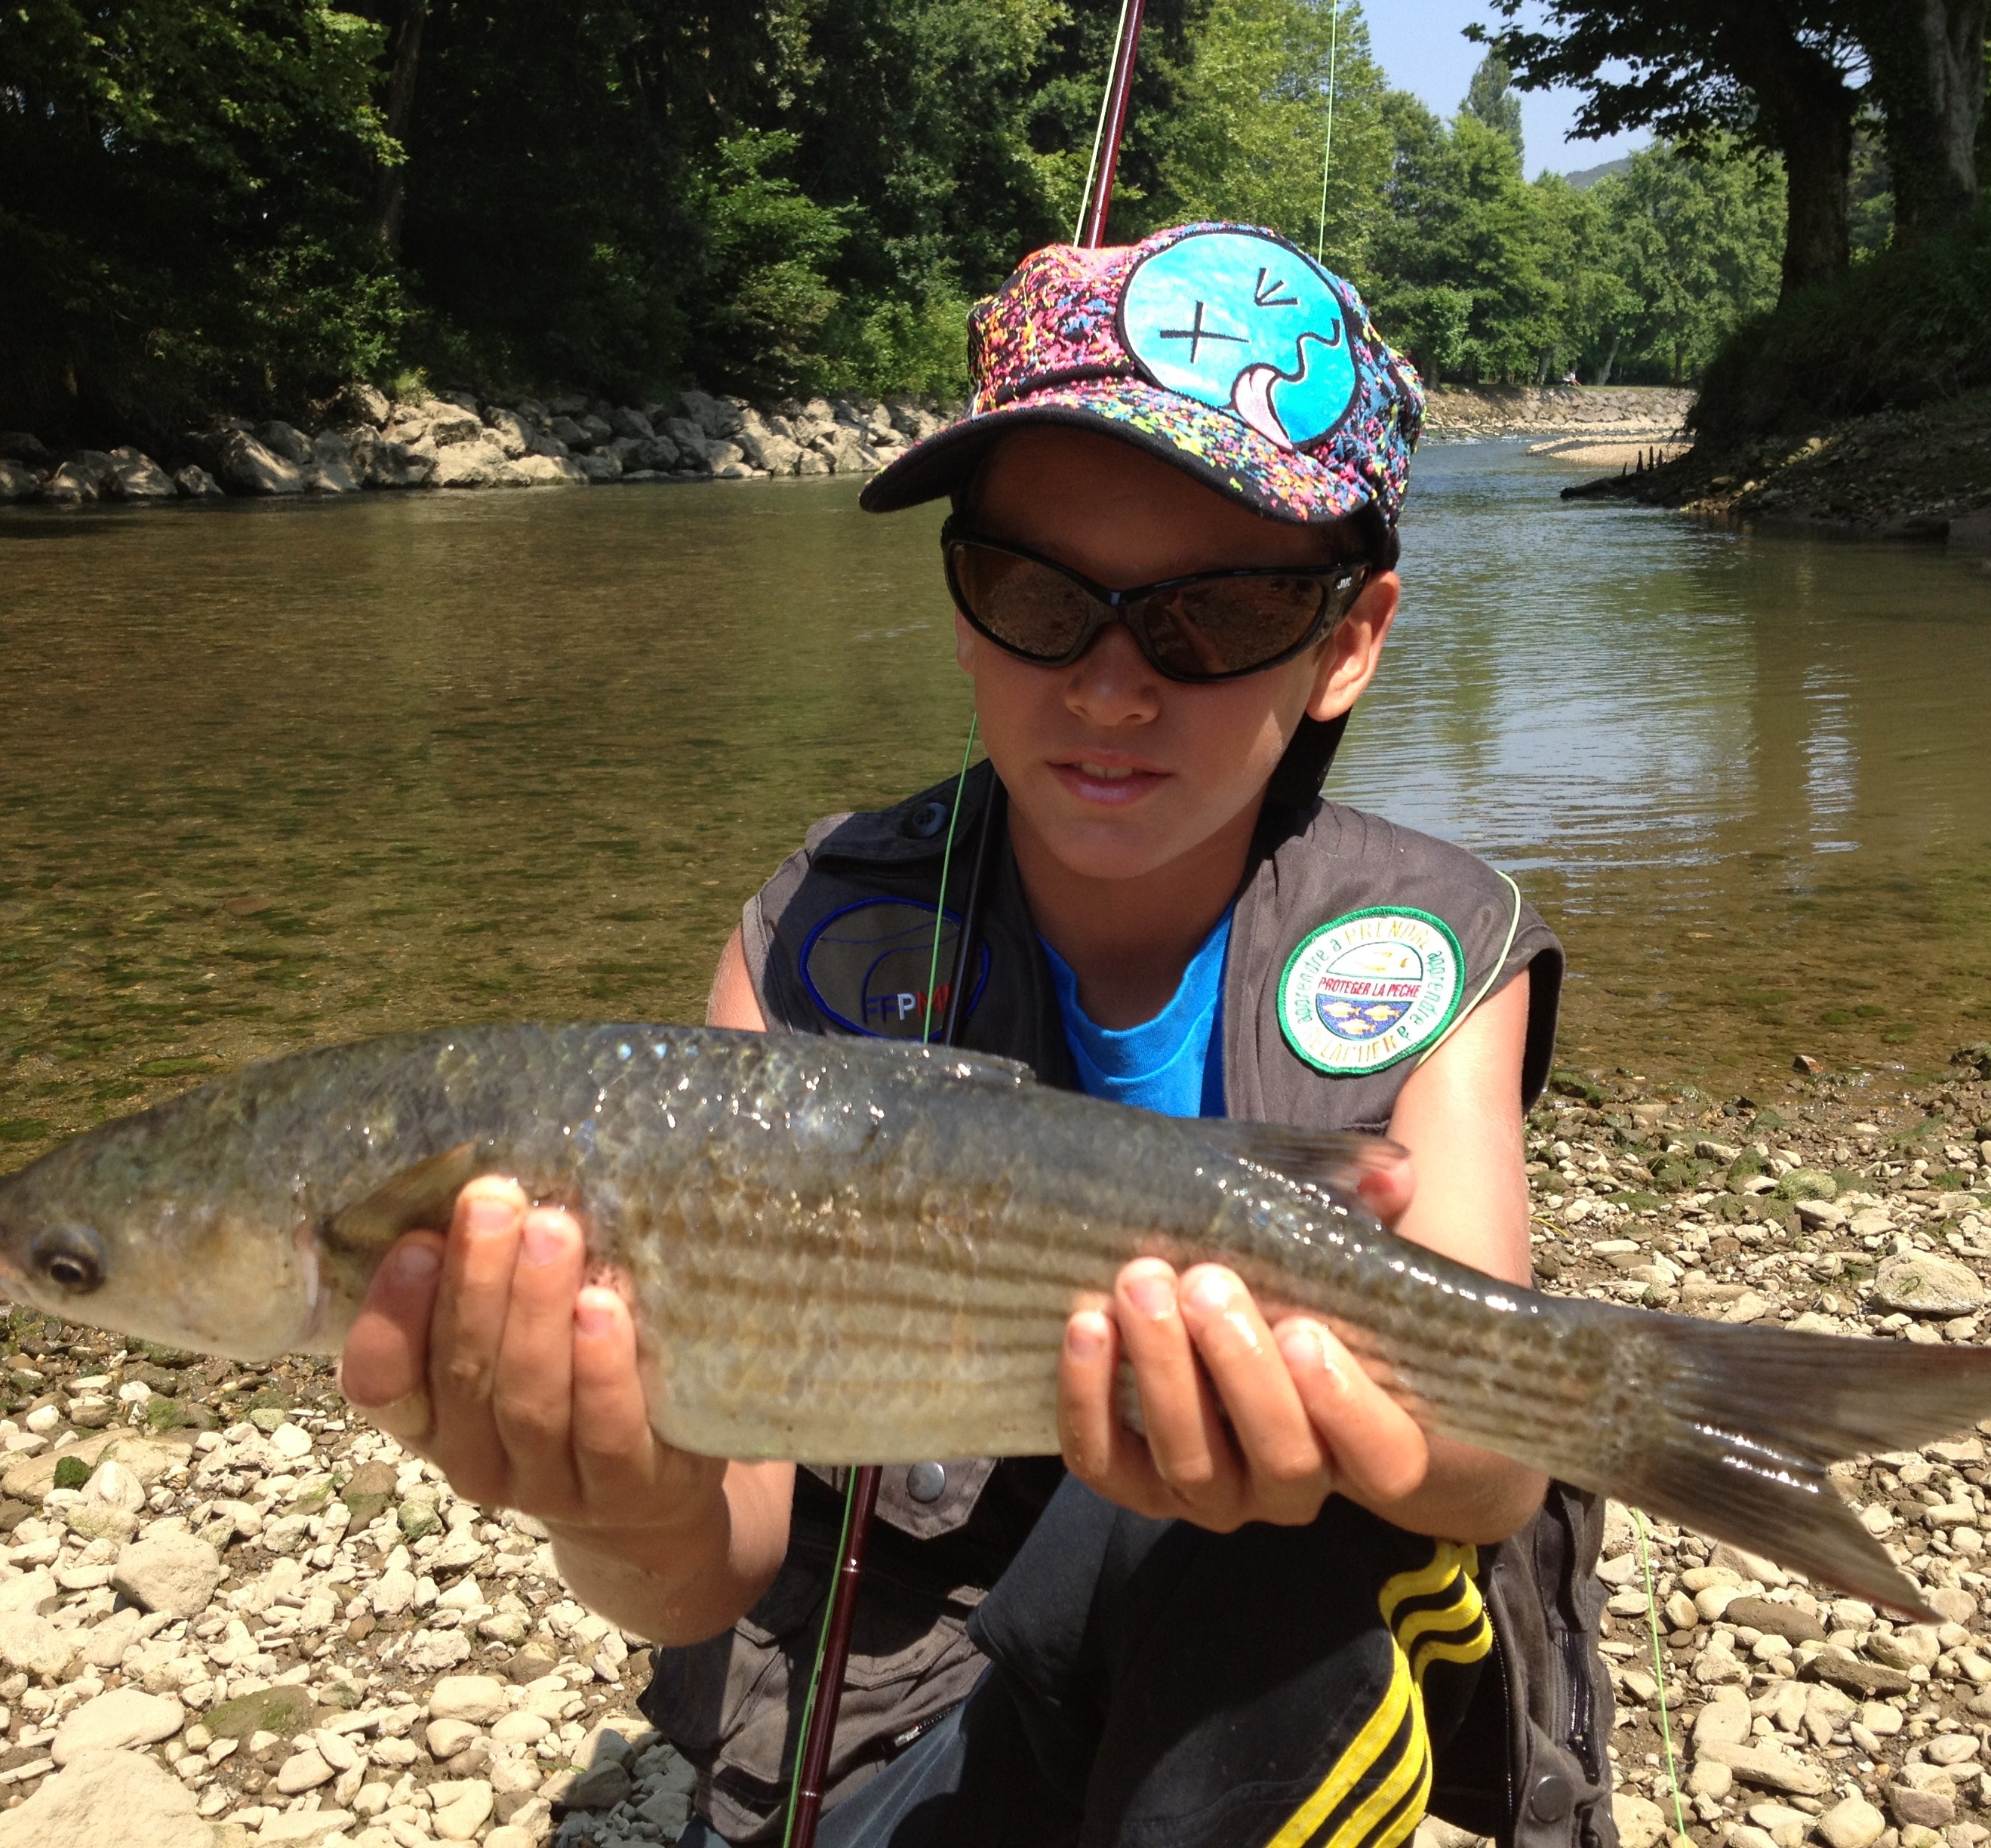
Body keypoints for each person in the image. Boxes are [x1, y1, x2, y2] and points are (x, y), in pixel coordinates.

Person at [339, 222, 1614, 1848]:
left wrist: (1400, 1449)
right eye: (1034, 595)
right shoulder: (816, 934)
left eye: (1212, 618)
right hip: (883, 1759)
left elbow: (1497, 1470)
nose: (1106, 687)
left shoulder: (1436, 954)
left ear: (1346, 641)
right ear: (960, 606)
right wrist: (620, 1500)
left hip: (1247, 1708)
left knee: (1312, 1511)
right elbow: (701, 1568)